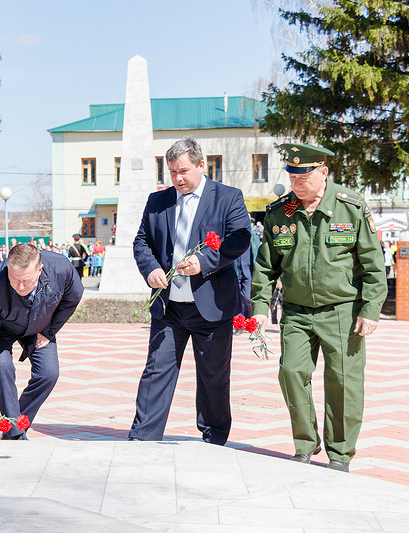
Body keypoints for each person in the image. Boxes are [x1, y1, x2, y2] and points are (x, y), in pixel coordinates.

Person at [250, 143, 387, 473]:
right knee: (291, 373)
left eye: (304, 175)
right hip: (296, 311)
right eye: (292, 175)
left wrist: (370, 309)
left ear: (323, 173)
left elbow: (373, 265)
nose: (297, 182)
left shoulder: (350, 208)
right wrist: (259, 306)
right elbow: (266, 267)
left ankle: (339, 452)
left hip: (342, 310)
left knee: (342, 381)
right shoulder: (279, 213)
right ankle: (305, 443)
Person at [129, 137, 251, 444]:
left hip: (211, 306)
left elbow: (239, 240)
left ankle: (214, 438)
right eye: (172, 173)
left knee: (213, 377)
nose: (178, 179)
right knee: (156, 372)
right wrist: (151, 269)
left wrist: (205, 261)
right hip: (169, 308)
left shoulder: (228, 197)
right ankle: (142, 437)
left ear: (201, 165)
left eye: (183, 171)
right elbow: (141, 242)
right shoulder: (159, 202)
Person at [0, 243, 84, 439]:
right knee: (1, 365)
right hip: (3, 329)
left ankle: (13, 425)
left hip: (41, 327)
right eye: (15, 280)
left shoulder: (61, 269)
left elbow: (73, 297)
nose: (21, 287)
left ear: (40, 270)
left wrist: (50, 331)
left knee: (49, 373)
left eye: (27, 280)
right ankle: (15, 435)